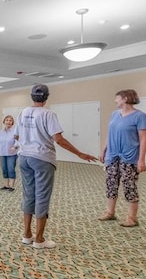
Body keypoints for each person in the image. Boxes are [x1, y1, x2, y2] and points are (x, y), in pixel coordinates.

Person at [16, 84, 98, 249]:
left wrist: (29, 143)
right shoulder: (48, 114)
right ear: (46, 97)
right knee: (42, 197)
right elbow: (58, 139)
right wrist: (79, 153)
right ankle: (39, 240)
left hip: (24, 157)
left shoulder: (23, 112)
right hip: (42, 159)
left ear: (32, 97)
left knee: (28, 195)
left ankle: (27, 235)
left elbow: (17, 135)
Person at [98, 89, 146, 227]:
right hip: (112, 154)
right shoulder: (114, 115)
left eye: (117, 98)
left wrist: (141, 160)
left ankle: (132, 218)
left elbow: (143, 140)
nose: (115, 101)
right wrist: (104, 149)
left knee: (129, 186)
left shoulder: (140, 116)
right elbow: (110, 133)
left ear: (125, 99)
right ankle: (110, 212)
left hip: (129, 156)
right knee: (111, 184)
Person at [0, 115, 19, 191]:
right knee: (4, 169)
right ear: (4, 122)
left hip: (12, 154)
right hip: (2, 154)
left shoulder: (15, 132)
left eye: (10, 120)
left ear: (12, 123)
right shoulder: (0, 132)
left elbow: (18, 142)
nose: (8, 121)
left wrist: (14, 147)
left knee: (11, 169)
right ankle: (6, 185)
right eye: (7, 120)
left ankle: (11, 186)